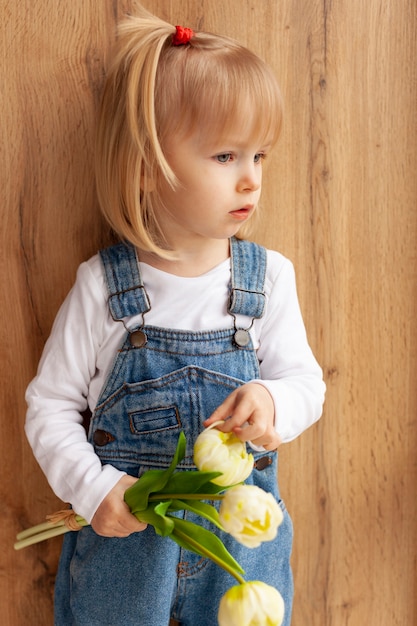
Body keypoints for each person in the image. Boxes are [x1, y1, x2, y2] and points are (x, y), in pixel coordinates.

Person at [25, 7, 325, 626]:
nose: (250, 181)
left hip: (237, 556)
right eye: (224, 157)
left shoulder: (267, 280)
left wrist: (272, 402)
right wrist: (94, 488)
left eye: (259, 156)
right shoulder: (102, 289)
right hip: (125, 556)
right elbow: (50, 407)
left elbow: (307, 384)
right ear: (146, 167)